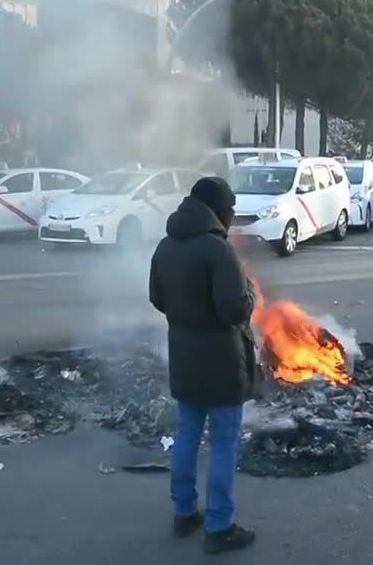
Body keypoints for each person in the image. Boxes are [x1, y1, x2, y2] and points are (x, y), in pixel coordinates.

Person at [148, 177, 258, 554]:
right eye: (231, 208)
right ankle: (219, 525)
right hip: (222, 361)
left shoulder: (165, 246)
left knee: (187, 433)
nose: (232, 216)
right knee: (225, 442)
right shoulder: (219, 251)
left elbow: (157, 298)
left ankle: (184, 512)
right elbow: (234, 309)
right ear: (218, 209)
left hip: (183, 355)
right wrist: (251, 295)